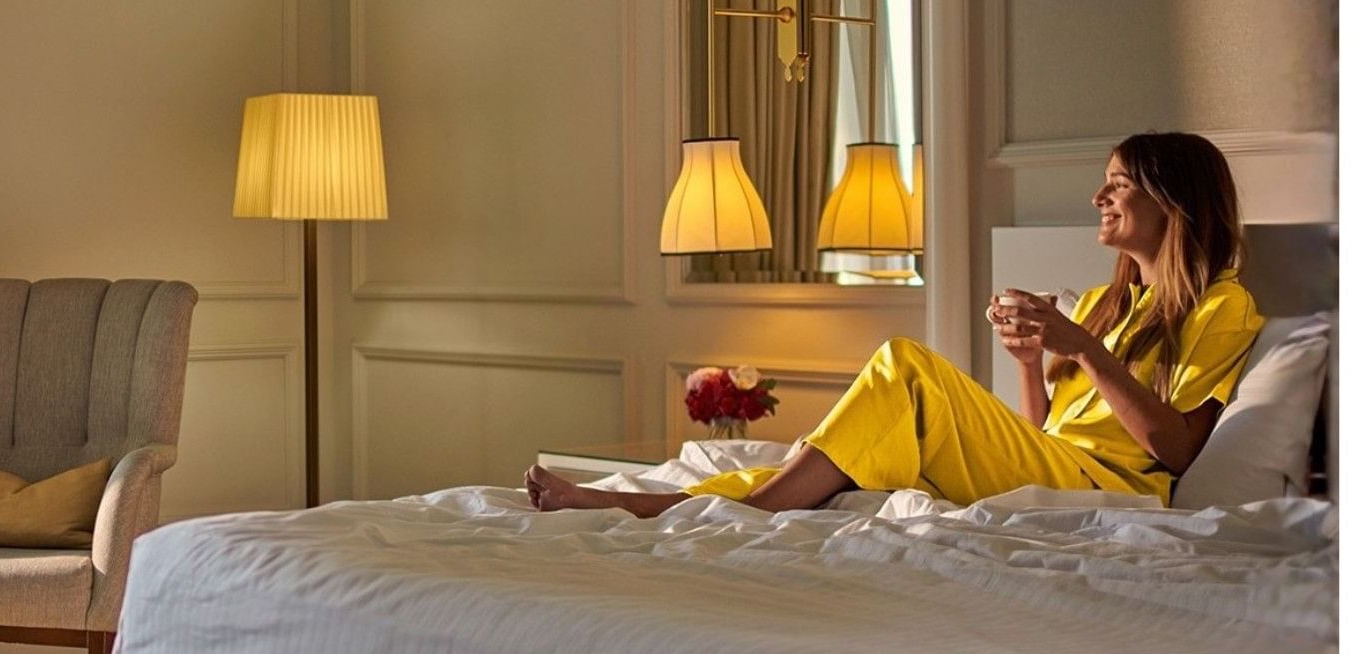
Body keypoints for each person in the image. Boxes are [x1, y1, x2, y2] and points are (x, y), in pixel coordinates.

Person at [527, 132, 1261, 517]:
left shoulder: (1222, 306)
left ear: (1175, 201)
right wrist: (1032, 364)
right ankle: (634, 503)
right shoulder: (1113, 304)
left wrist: (1083, 348)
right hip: (1060, 466)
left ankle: (744, 513)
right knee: (815, 466)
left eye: (1121, 183)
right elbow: (1041, 440)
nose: (1099, 194)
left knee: (905, 365)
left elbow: (1180, 449)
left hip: (1116, 490)